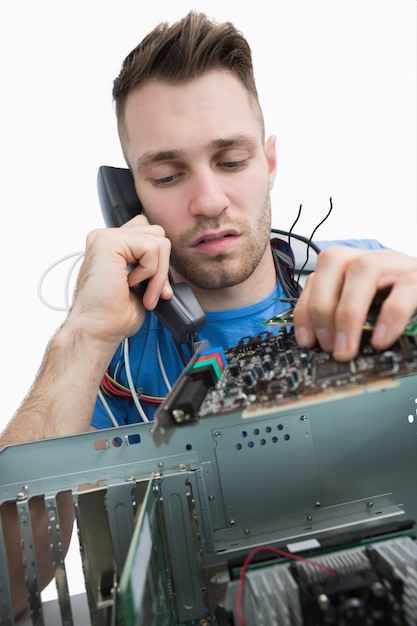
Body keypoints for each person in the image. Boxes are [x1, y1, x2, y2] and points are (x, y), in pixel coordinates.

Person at [1, 10, 416, 618]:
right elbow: (8, 581)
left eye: (231, 161)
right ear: (129, 197)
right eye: (167, 175)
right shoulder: (109, 362)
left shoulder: (373, 282)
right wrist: (83, 334)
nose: (208, 201)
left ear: (270, 161)